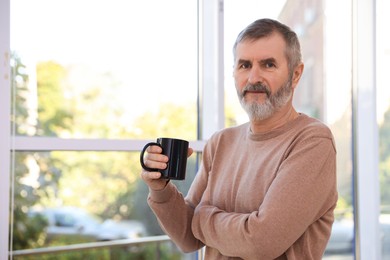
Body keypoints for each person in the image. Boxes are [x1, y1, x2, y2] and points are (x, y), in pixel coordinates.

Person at [140, 18, 338, 259]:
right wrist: (160, 189)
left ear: (295, 75)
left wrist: (201, 217)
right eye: (244, 65)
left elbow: (261, 242)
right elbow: (187, 238)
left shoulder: (312, 141)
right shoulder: (221, 142)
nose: (253, 78)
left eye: (268, 65)